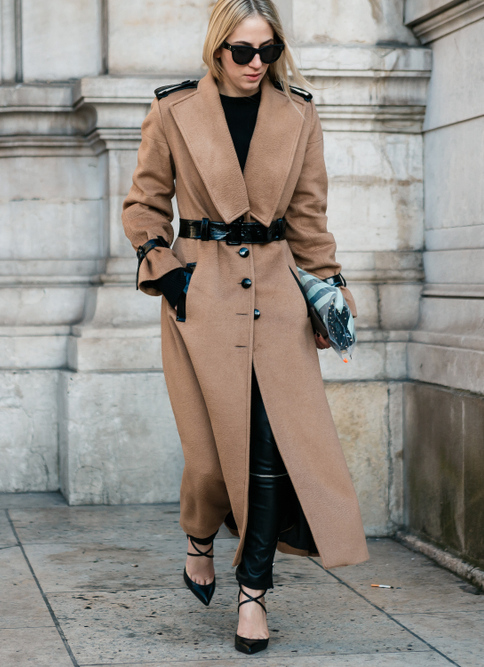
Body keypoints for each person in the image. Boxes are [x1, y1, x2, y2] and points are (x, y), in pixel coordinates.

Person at [121, 0, 368, 654]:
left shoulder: (299, 114)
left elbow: (311, 219)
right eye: (243, 52)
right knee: (207, 458)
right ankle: (200, 538)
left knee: (268, 454)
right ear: (217, 49)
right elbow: (145, 205)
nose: (257, 64)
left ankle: (253, 592)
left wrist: (328, 297)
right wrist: (170, 274)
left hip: (279, 299)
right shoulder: (174, 111)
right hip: (200, 301)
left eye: (268, 51)